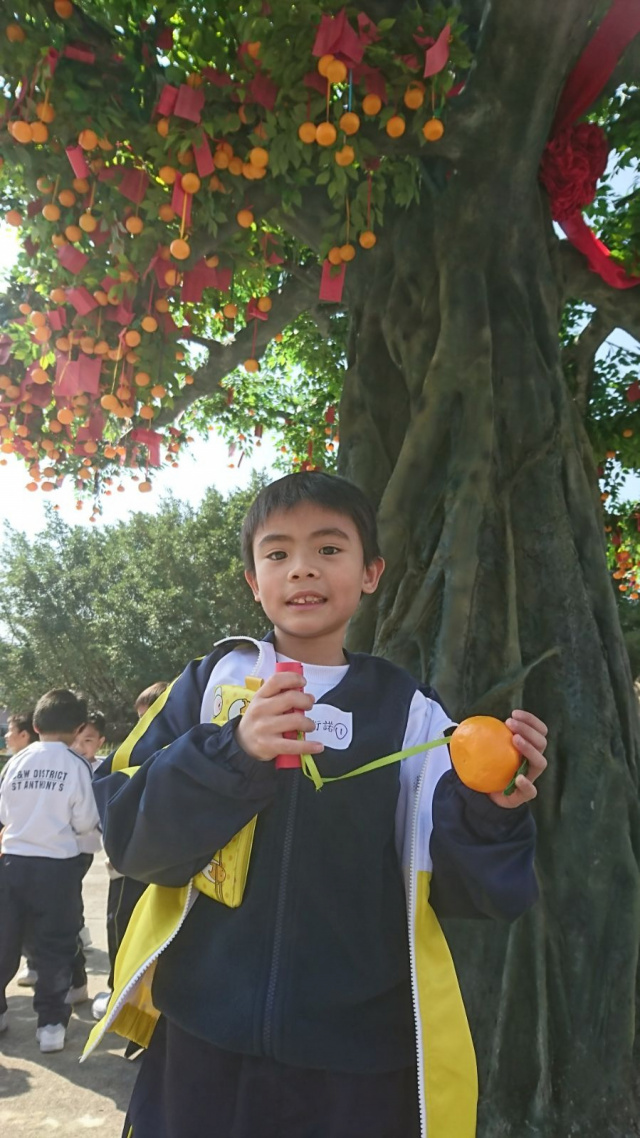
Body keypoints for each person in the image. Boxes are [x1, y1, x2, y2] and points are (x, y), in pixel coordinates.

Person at [86, 472, 548, 1138]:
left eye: (329, 549)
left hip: (356, 1065)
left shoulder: (412, 716)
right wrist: (235, 752)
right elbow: (131, 839)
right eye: (278, 553)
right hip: (201, 1044)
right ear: (254, 581)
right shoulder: (212, 686)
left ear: (371, 573)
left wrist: (492, 809)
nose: (302, 568)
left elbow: (479, 892)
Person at [0, 689, 100, 1052]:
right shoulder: (76, 765)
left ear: (36, 725)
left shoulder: (16, 762)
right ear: (78, 728)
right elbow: (86, 820)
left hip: (12, 863)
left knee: (5, 940)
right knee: (55, 946)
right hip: (57, 869)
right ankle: (51, 1025)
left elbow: (5, 813)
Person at [91, 686, 168, 1028]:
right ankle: (121, 993)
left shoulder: (172, 751)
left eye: (148, 718)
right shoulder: (135, 753)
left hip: (148, 865)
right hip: (134, 864)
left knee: (135, 930)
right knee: (124, 928)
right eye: (140, 720)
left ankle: (132, 998)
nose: (143, 727)